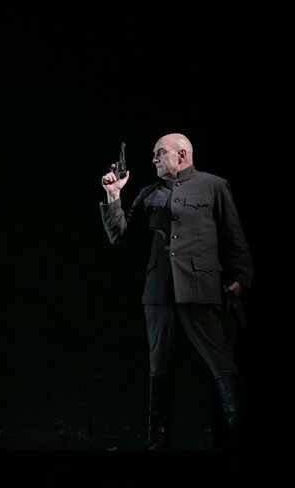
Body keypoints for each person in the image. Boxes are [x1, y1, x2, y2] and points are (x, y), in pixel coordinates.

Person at [99, 133, 253, 459]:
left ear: (181, 155)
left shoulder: (214, 186)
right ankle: (158, 441)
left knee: (221, 363)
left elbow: (233, 235)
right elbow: (118, 235)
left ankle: (239, 439)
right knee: (159, 369)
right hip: (159, 292)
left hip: (201, 289)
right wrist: (114, 195)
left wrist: (241, 277)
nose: (154, 159)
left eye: (160, 153)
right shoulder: (149, 193)